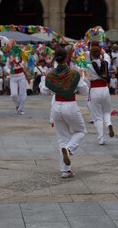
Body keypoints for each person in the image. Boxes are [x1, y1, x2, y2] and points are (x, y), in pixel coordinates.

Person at [39, 48, 88, 178]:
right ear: (67, 58)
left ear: (55, 58)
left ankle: (65, 170)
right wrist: (82, 78)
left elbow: (44, 92)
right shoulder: (74, 73)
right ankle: (69, 149)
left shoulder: (51, 74)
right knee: (81, 131)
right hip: (70, 105)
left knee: (62, 139)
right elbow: (84, 91)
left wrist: (43, 80)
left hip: (56, 107)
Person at [87, 46, 114, 145]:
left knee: (97, 116)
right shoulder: (105, 63)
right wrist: (103, 52)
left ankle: (102, 139)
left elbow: (79, 62)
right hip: (105, 89)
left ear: (91, 55)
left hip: (95, 90)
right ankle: (109, 124)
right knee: (106, 111)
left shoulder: (88, 65)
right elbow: (107, 56)